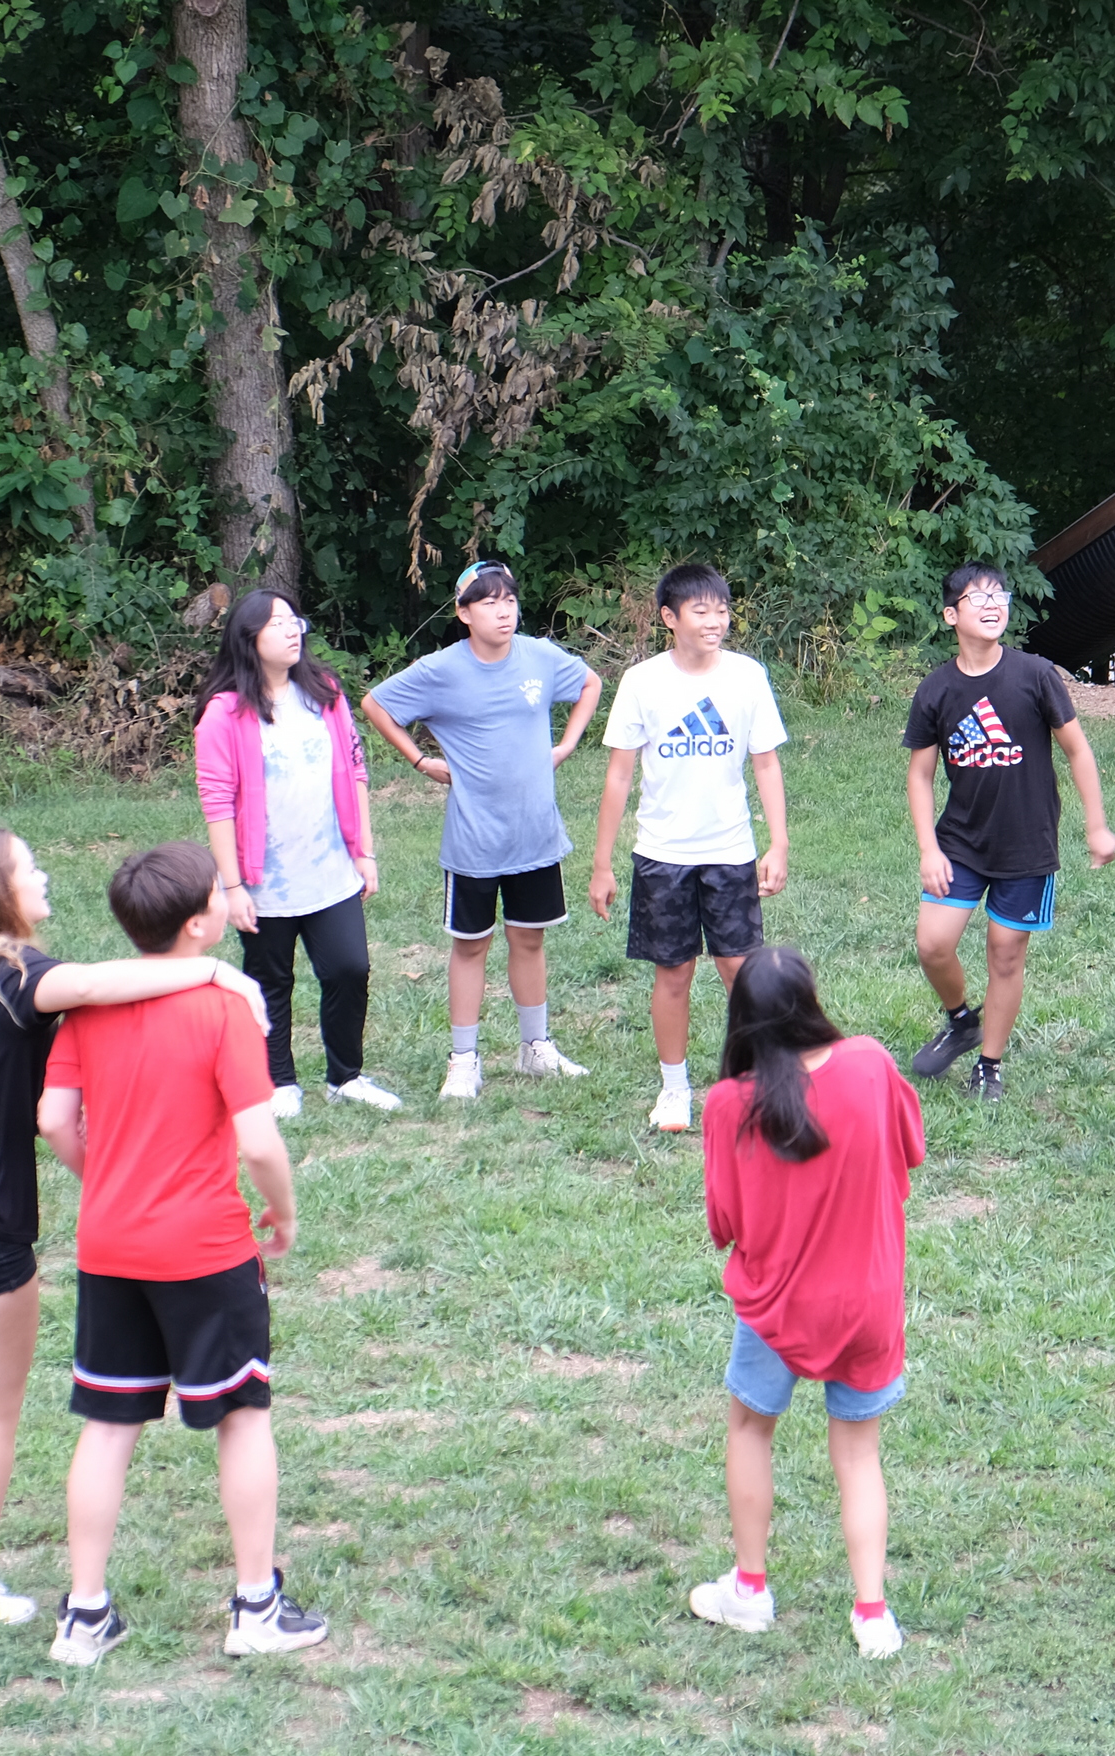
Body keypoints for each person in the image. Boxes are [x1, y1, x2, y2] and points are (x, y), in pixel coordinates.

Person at [0, 825, 268, 1648]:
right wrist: (214, 971)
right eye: (29, 867)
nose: (43, 874)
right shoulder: (21, 973)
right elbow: (93, 983)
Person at [37, 842, 325, 1665]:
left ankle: (84, 1616)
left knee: (108, 1424)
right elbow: (258, 1140)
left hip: (109, 1247)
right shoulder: (222, 1008)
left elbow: (53, 1119)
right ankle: (256, 1607)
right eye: (218, 894)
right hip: (205, 1247)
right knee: (242, 1416)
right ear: (200, 924)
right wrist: (282, 1211)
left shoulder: (87, 1008)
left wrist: (107, 1182)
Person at [691, 948, 923, 1659]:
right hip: (868, 1301)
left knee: (749, 1428)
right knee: (859, 1453)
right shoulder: (871, 1064)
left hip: (777, 1306)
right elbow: (910, 1150)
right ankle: (873, 1615)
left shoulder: (729, 1104)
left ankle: (750, 1590)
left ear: (742, 1018)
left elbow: (724, 1224)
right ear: (811, 1002)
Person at [362, 561, 601, 1100]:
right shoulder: (441, 670)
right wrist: (421, 761)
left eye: (509, 600)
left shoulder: (539, 656)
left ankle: (535, 1048)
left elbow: (590, 682)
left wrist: (566, 744)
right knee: (471, 947)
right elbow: (375, 704)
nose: (503, 611)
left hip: (534, 833)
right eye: (489, 602)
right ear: (464, 613)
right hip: (474, 840)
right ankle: (464, 1060)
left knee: (529, 939)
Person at [901, 563, 1115, 1101]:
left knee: (1004, 953)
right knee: (932, 945)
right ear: (951, 615)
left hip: (1027, 843)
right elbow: (920, 775)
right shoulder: (936, 690)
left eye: (1000, 595)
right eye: (978, 598)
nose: (993, 604)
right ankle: (960, 1021)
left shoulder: (1035, 675)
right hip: (960, 841)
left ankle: (989, 1065)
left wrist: (1096, 826)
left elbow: (1078, 751)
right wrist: (928, 848)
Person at [589, 562, 792, 1133]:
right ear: (669, 618)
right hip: (662, 854)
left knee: (741, 972)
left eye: (722, 610)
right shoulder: (642, 682)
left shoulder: (747, 677)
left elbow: (766, 763)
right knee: (673, 973)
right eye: (700, 611)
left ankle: (755, 1084)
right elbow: (619, 776)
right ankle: (675, 1089)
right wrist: (602, 863)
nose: (714, 622)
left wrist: (778, 843)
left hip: (730, 850)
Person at [196, 589, 400, 1120]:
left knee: (349, 969)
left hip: (330, 867)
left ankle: (345, 1078)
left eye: (294, 621)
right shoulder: (224, 713)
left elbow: (355, 770)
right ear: (249, 639)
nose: (292, 631)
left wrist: (364, 852)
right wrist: (232, 886)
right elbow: (216, 803)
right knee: (271, 981)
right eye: (277, 623)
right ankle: (278, 1082)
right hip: (263, 879)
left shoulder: (324, 692)